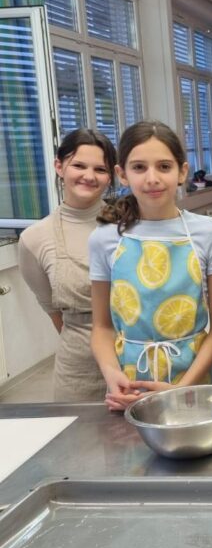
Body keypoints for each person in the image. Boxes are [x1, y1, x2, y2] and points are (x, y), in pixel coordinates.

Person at [89, 121, 212, 410]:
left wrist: (182, 388)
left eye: (164, 167)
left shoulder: (210, 233)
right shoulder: (104, 238)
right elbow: (102, 327)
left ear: (182, 172)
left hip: (193, 379)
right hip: (130, 383)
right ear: (122, 174)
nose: (152, 178)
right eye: (139, 167)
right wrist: (112, 374)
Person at [18, 129, 116, 402]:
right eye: (79, 166)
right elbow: (53, 313)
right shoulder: (34, 239)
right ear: (59, 167)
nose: (89, 176)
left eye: (100, 169)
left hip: (136, 359)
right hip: (78, 371)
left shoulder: (130, 225)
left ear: (111, 176)